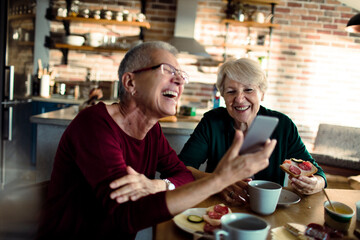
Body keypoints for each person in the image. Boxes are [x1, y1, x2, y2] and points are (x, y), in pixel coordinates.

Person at [36, 42, 277, 240]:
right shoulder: (94, 125)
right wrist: (220, 180)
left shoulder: (152, 131)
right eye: (167, 71)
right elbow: (126, 214)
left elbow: (182, 173)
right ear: (130, 83)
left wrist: (162, 185)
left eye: (181, 76)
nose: (180, 82)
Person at [178, 58, 327, 206]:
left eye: (248, 89)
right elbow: (181, 167)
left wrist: (315, 183)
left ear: (262, 93)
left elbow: (318, 174)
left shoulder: (283, 126)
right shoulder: (212, 121)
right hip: (221, 204)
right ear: (223, 96)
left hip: (268, 208)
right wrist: (217, 182)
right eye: (231, 91)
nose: (240, 99)